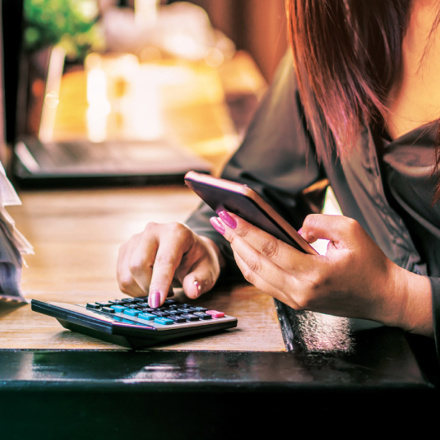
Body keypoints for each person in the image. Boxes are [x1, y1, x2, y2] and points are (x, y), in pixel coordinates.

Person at [116, 0, 440, 358]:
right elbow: (262, 187)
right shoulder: (339, 21)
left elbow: (392, 294)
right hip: (379, 377)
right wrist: (207, 246)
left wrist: (399, 297)